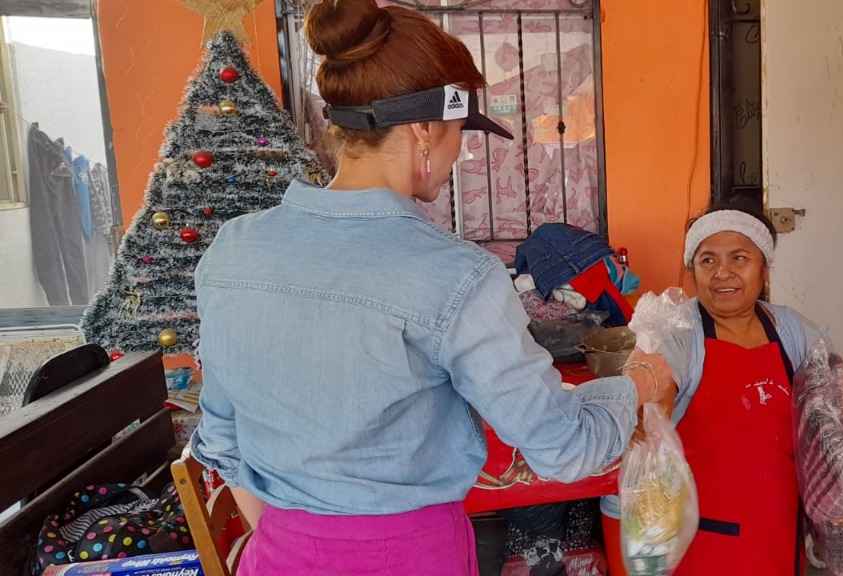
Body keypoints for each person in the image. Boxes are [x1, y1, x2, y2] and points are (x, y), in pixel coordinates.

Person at [187, 2, 674, 574]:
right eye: (459, 134)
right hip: (410, 557)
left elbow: (219, 440)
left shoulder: (234, 250)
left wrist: (302, 541)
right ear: (424, 128)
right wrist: (637, 385)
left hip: (279, 554)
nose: (458, 154)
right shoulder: (454, 275)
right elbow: (564, 447)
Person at [600, 206, 843, 575]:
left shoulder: (792, 331)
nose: (723, 273)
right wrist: (648, 408)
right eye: (708, 260)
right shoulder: (680, 333)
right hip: (695, 540)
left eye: (740, 258)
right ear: (693, 271)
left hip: (777, 530)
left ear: (763, 269)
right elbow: (657, 376)